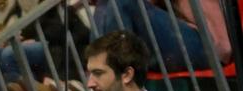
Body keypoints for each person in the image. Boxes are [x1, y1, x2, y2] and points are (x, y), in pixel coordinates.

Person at [94, 0, 232, 72]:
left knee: (122, 2)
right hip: (175, 43)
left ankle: (108, 76)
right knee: (106, 4)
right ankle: (102, 73)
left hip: (208, 45)